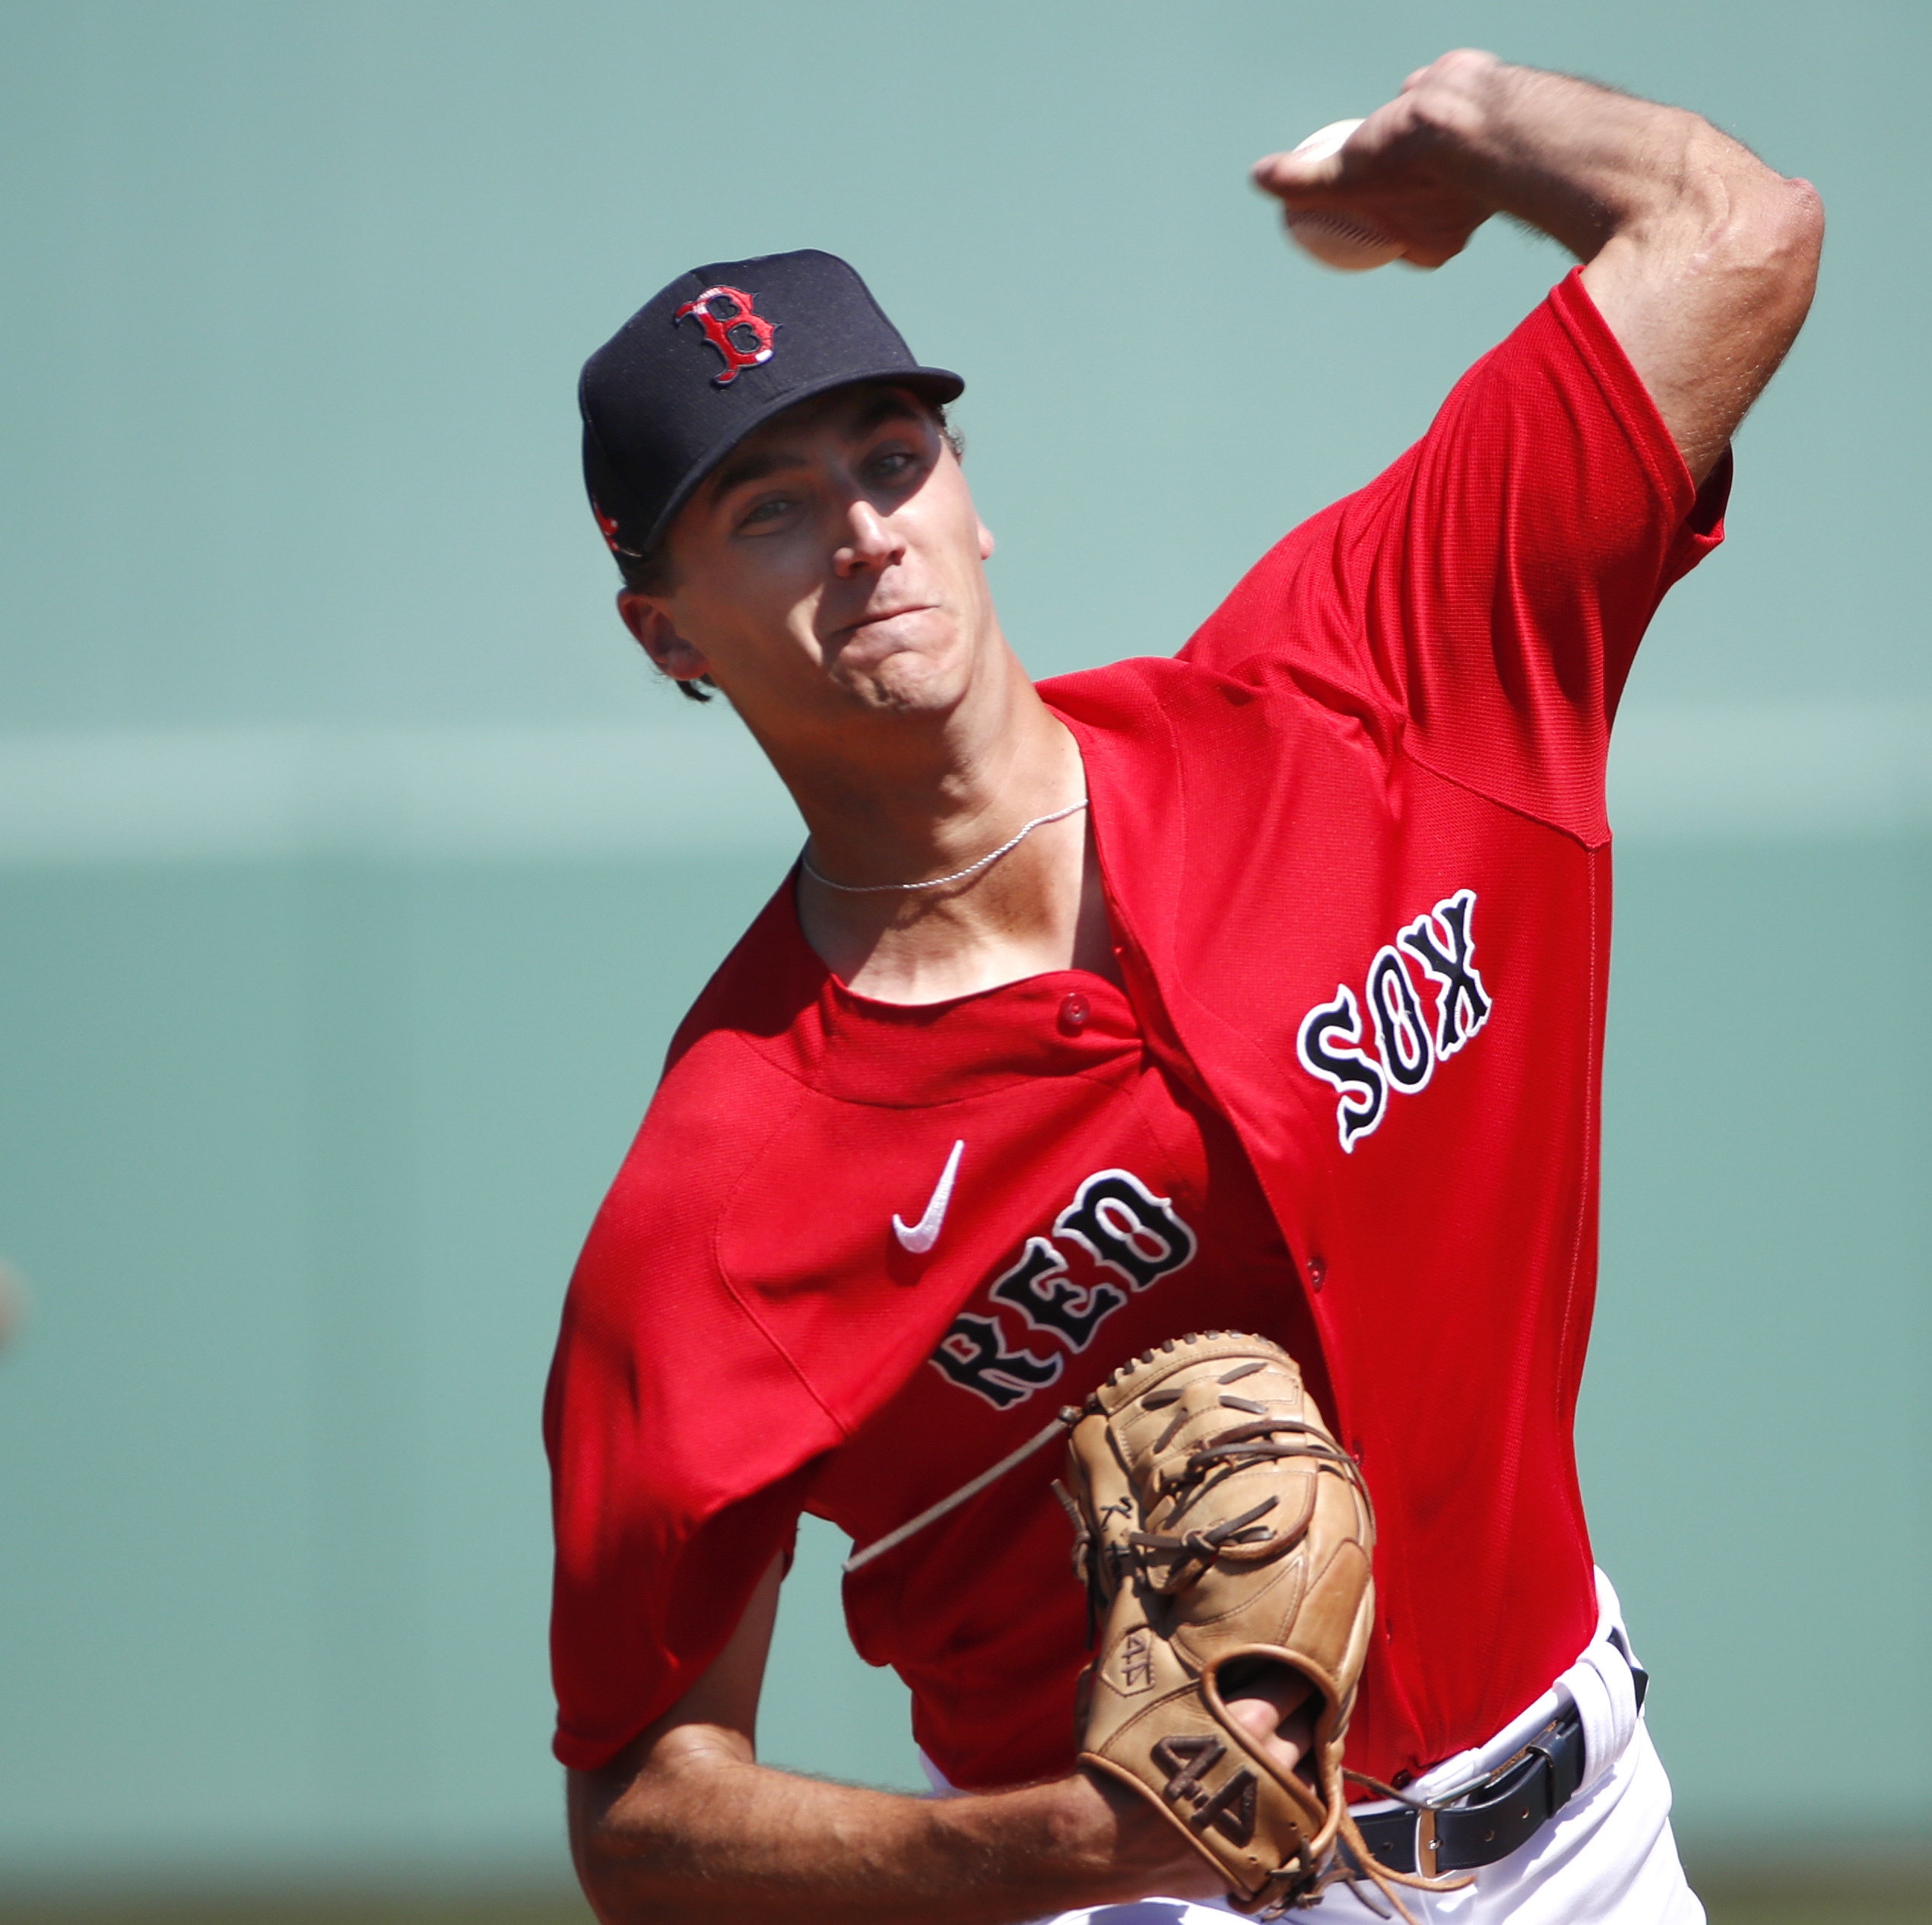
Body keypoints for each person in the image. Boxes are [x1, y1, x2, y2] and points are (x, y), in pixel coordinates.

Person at [546, 49, 1820, 1925]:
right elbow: (644, 1817)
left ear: (974, 499)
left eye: (894, 458)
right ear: (668, 637)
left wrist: (1473, 123)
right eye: (768, 507)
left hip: (1591, 1845)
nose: (865, 530)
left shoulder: (1364, 690)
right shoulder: (719, 1206)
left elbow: (1737, 231)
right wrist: (1048, 1843)